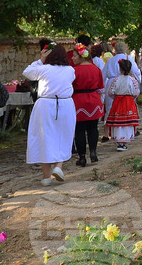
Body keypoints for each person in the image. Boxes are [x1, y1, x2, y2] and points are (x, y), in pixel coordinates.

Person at [24, 43, 76, 186]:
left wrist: (41, 59)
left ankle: (46, 176)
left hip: (46, 105)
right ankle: (59, 166)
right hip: (65, 105)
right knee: (63, 135)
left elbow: (27, 72)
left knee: (44, 137)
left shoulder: (44, 69)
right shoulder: (70, 70)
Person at [71, 44, 103, 166]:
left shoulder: (74, 71)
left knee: (79, 130)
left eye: (74, 56)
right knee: (93, 128)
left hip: (79, 101)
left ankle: (82, 157)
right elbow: (100, 87)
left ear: (81, 57)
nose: (72, 59)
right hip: (94, 99)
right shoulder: (96, 69)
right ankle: (93, 152)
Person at [102, 42, 140, 141]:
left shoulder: (110, 61)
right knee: (128, 109)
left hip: (112, 84)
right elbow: (136, 72)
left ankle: (106, 134)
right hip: (126, 83)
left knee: (110, 110)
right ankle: (131, 131)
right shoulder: (129, 58)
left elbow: (103, 74)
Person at [106, 59, 140, 151]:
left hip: (118, 102)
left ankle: (119, 141)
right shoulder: (132, 80)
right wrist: (131, 98)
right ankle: (124, 141)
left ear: (120, 69)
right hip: (129, 102)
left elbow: (110, 92)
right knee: (127, 122)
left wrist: (116, 97)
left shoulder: (116, 80)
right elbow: (136, 92)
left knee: (118, 122)